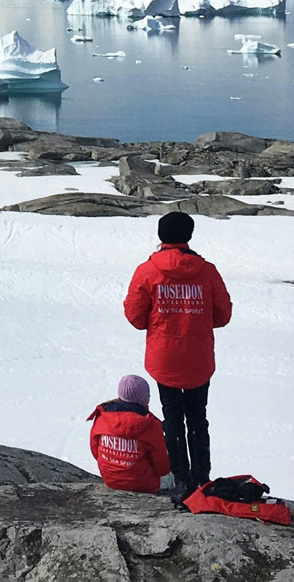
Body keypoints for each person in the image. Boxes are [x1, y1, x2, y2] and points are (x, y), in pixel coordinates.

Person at [123, 210, 231, 493]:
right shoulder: (206, 270)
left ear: (161, 236)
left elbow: (135, 317)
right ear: (189, 236)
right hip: (198, 358)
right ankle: (203, 477)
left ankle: (181, 478)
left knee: (172, 418)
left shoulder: (147, 271)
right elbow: (223, 315)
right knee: (198, 417)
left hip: (164, 358)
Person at [87, 373, 169, 492]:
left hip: (111, 480)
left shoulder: (102, 416)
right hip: (144, 485)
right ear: (145, 399)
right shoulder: (150, 425)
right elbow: (163, 468)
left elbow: (96, 452)